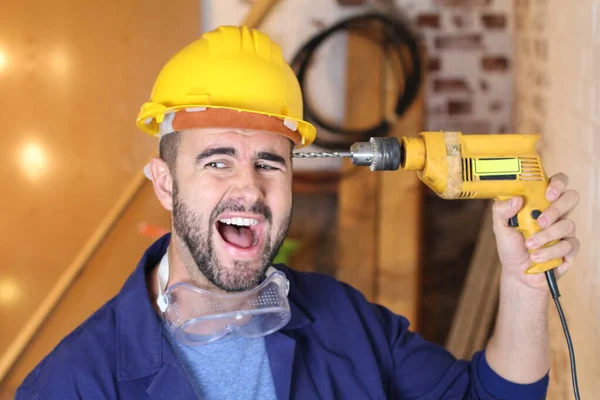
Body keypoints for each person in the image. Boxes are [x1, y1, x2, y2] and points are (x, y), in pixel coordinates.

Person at [17, 25, 581, 400]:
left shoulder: (342, 320)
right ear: (165, 184)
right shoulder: (75, 382)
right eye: (217, 162)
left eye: (270, 163)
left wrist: (523, 282)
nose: (250, 188)